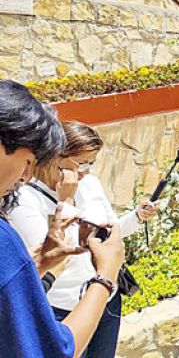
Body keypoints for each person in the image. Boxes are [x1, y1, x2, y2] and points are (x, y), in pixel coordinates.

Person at [7, 121, 159, 358]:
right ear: (56, 156)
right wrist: (65, 201)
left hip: (105, 295)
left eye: (92, 163)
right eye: (81, 163)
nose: (87, 171)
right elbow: (57, 254)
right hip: (62, 306)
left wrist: (136, 218)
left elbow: (109, 231)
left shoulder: (89, 184)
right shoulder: (25, 200)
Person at [0, 80, 125, 358]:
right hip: (63, 304)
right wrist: (106, 277)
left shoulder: (90, 184)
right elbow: (56, 350)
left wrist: (39, 267)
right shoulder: (9, 226)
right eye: (29, 162)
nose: (25, 176)